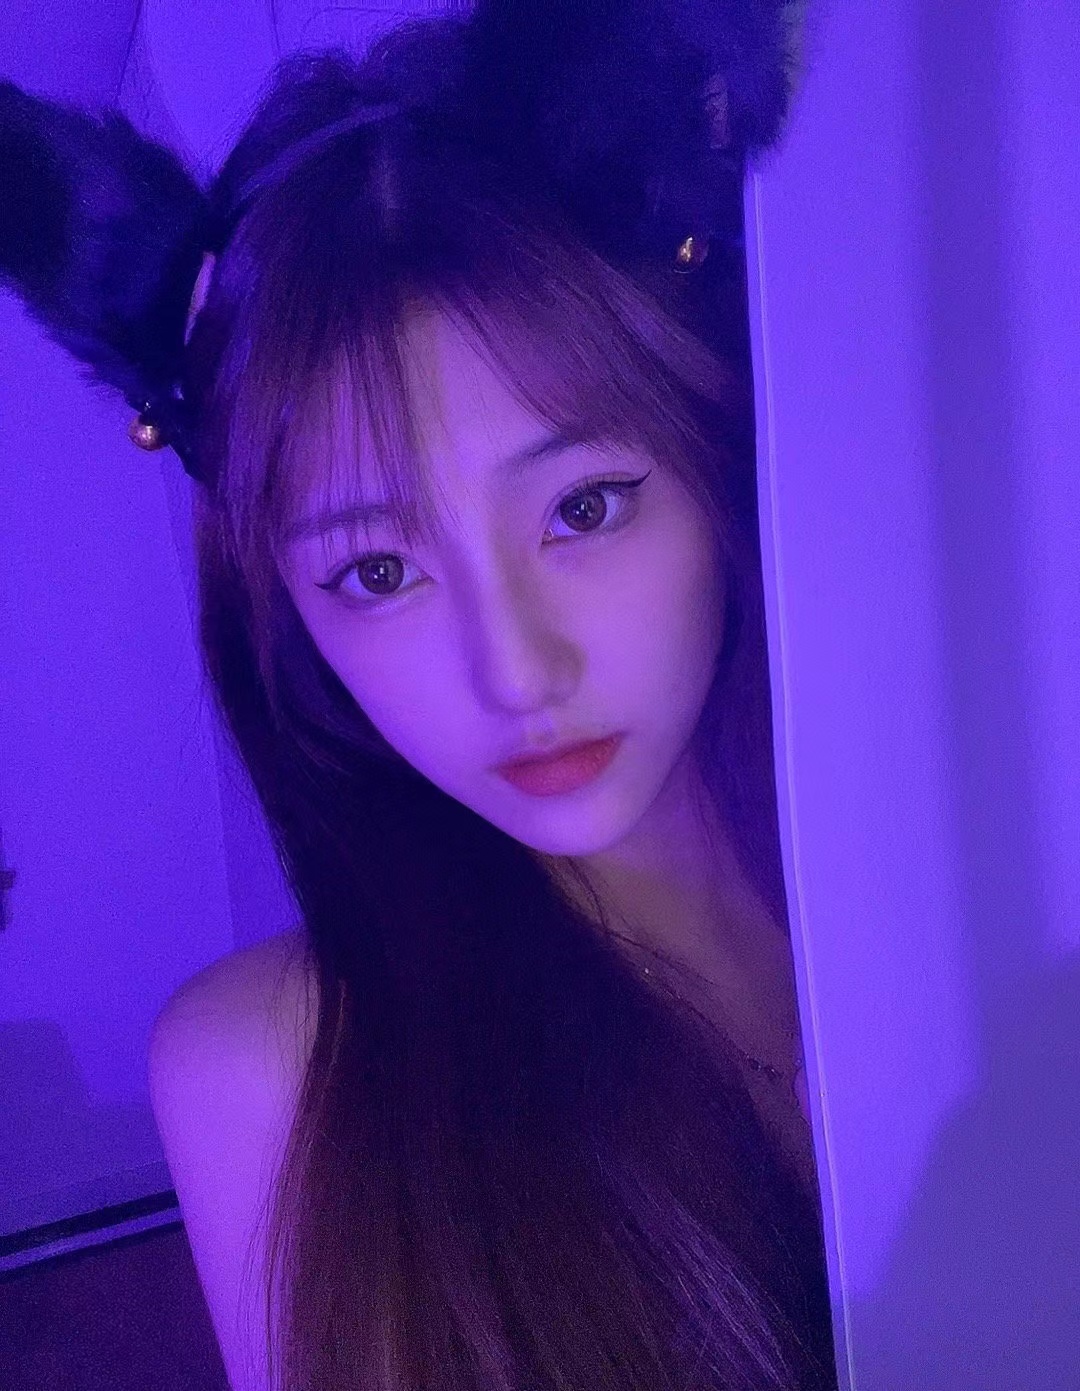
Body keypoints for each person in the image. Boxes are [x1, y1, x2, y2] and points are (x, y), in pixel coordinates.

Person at [1, 3, 835, 1388]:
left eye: (584, 506)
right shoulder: (279, 1073)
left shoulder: (951, 878)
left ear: (712, 460)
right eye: (379, 571)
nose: (515, 671)